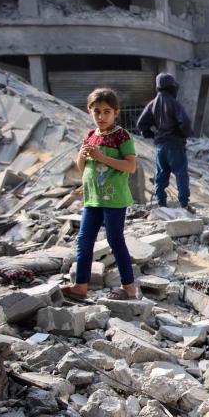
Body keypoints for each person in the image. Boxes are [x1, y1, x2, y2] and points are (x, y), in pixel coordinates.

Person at [62, 88, 137, 302]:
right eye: (97, 112)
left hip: (114, 200)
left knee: (115, 240)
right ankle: (80, 285)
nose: (101, 117)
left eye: (106, 112)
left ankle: (128, 287)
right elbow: (81, 166)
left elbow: (131, 166)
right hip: (92, 198)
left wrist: (101, 157)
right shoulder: (90, 136)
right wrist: (83, 154)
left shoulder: (122, 135)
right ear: (89, 111)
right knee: (84, 240)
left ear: (116, 112)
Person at [137, 73, 194, 212]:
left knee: (161, 175)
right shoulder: (175, 104)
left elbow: (141, 124)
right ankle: (184, 205)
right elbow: (185, 122)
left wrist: (152, 135)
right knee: (180, 174)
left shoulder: (152, 104)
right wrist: (185, 134)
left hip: (160, 146)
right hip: (175, 145)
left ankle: (162, 205)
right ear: (172, 87)